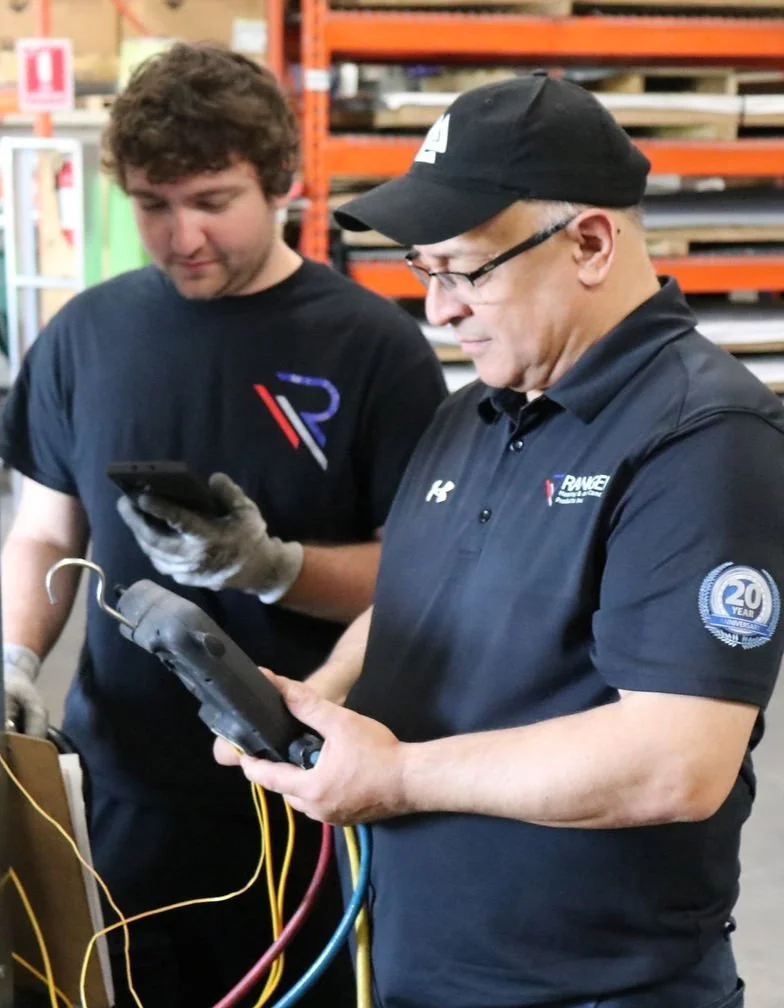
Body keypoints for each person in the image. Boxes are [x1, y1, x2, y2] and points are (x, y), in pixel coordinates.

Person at [215, 72, 784, 1008]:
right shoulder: (476, 411)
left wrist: (397, 777)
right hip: (424, 962)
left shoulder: (702, 436)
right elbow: (412, 597)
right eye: (422, 272)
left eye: (463, 269)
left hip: (592, 990)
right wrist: (311, 705)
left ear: (591, 243)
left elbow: (677, 758)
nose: (438, 310)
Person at [0, 42, 446, 1008]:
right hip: (125, 789)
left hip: (309, 793)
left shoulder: (373, 350)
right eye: (154, 205)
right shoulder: (85, 336)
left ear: (280, 184)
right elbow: (41, 531)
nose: (181, 235)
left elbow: (432, 576)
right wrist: (14, 661)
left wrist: (273, 568)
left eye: (211, 201)